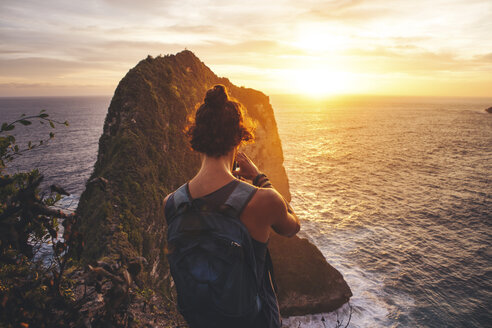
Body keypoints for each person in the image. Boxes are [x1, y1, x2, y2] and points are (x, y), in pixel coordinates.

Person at [163, 84, 300, 328]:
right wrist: (259, 178)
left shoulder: (173, 203)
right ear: (239, 137)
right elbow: (293, 226)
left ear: (197, 136)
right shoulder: (263, 200)